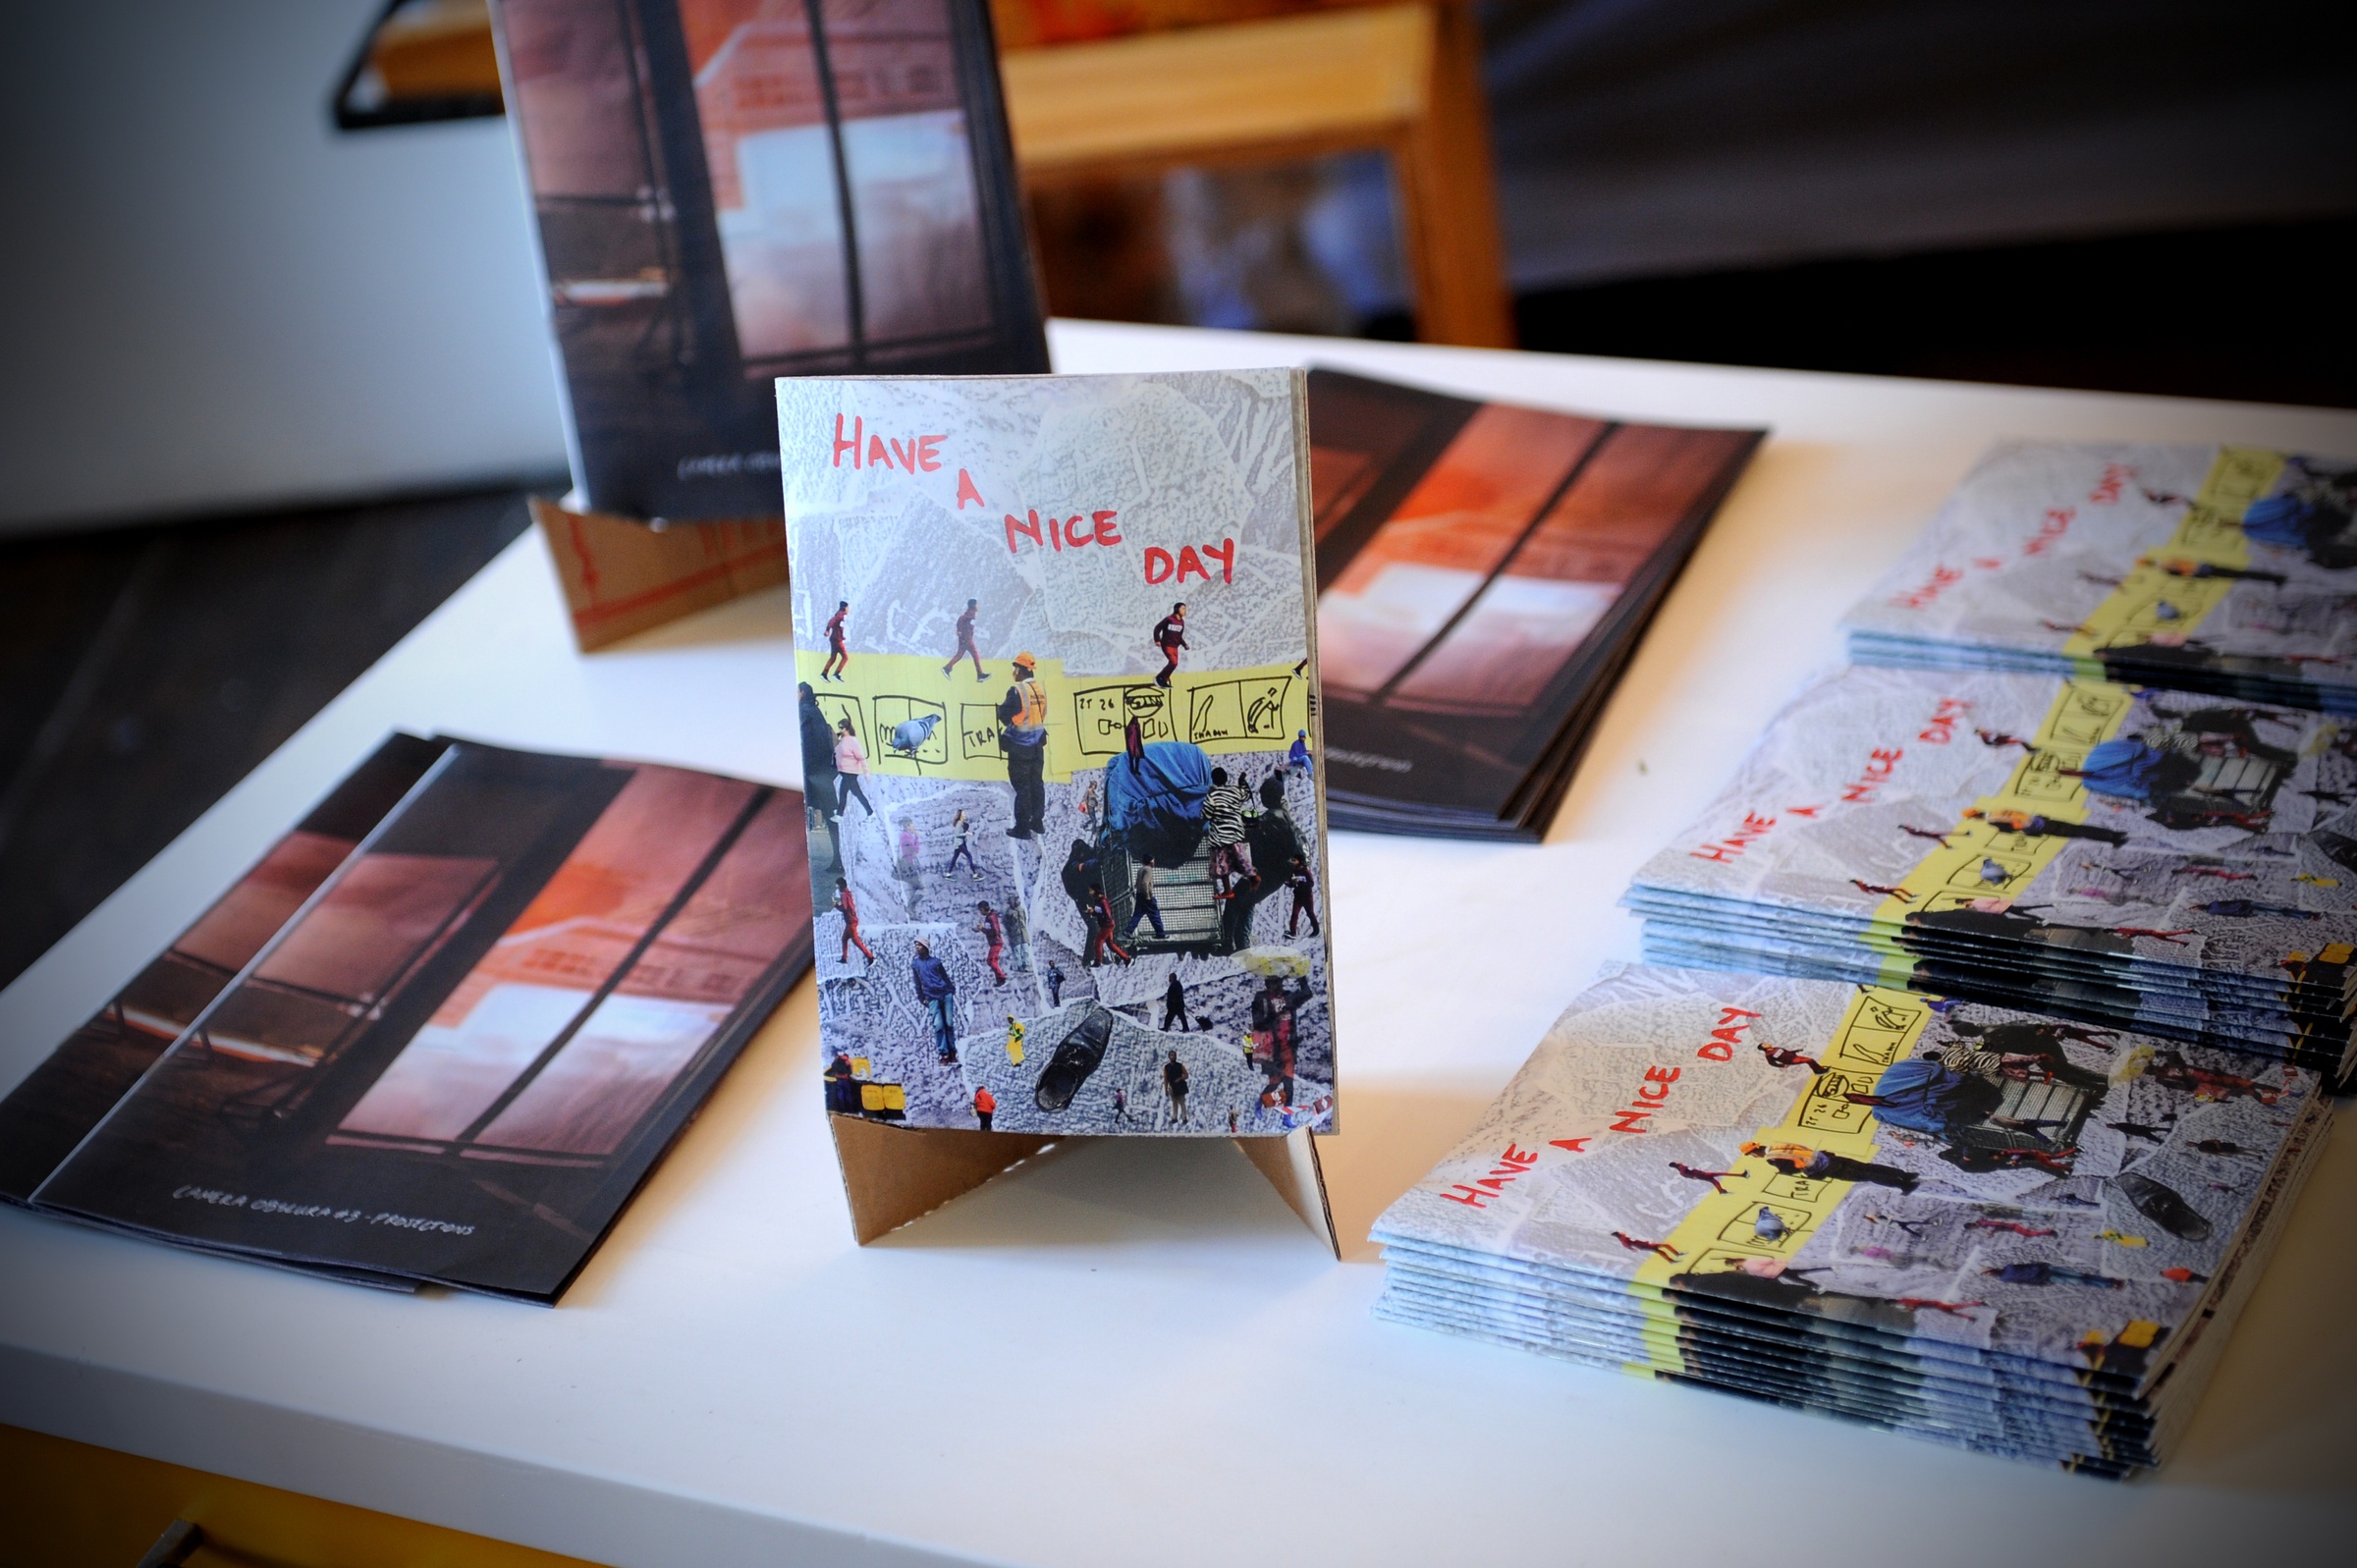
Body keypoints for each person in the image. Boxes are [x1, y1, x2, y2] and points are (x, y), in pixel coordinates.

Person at [997, 651, 1049, 838]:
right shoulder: (1040, 690)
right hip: (1037, 745)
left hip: (1020, 747)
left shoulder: (1017, 691)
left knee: (1022, 787)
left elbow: (1003, 715)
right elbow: (1042, 716)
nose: (1014, 672)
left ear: (1020, 669)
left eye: (1015, 668)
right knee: (1037, 784)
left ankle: (1022, 828)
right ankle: (1037, 822)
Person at [1739, 1139, 1919, 1193]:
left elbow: (1790, 1169)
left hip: (1824, 1168)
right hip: (1828, 1157)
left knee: (1866, 1175)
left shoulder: (1772, 1157)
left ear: (1754, 1152)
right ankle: (1905, 1175)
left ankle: (1903, 1184)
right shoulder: (1778, 1144)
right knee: (1868, 1167)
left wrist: (1783, 1172)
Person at [798, 683, 841, 866]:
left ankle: (837, 860)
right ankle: (838, 859)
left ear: (801, 693)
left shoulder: (804, 712)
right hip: (824, 772)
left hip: (812, 772)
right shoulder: (816, 712)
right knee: (832, 818)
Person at [1960, 807, 2127, 848]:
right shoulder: (1996, 810)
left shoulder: (1992, 820)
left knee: (2079, 832)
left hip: (2036, 827)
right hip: (2039, 819)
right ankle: (2113, 834)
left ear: (1974, 817)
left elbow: (2010, 828)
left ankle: (2112, 838)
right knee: (2078, 827)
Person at [1201, 767, 1251, 895]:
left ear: (1213, 780)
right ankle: (1253, 877)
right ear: (1226, 779)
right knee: (1239, 858)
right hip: (1236, 832)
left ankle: (1228, 890)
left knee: (1222, 862)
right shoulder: (1234, 791)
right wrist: (1242, 781)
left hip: (1221, 835)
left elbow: (1205, 815)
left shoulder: (1212, 796)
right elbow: (1246, 794)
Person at [911, 941, 958, 1062]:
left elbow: (944, 976)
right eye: (916, 945)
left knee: (949, 1023)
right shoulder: (916, 964)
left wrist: (951, 990)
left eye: (919, 945)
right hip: (931, 997)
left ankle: (952, 1052)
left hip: (945, 994)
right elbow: (917, 983)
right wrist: (921, 998)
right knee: (938, 1026)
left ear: (925, 947)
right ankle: (944, 1054)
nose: (917, 947)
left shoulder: (936, 962)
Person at [834, 718, 873, 817]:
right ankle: (870, 812)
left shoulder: (853, 741)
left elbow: (861, 758)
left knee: (844, 794)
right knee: (857, 794)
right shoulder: (842, 740)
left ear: (847, 728)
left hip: (850, 772)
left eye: (842, 728)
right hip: (845, 771)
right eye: (839, 728)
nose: (840, 730)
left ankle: (839, 815)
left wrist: (866, 773)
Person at [1085, 881, 1131, 967]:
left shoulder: (1102, 901)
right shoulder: (1098, 900)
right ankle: (1126, 958)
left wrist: (1097, 914)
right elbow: (1099, 912)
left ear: (1095, 890)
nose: (1090, 892)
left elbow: (1106, 913)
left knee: (1098, 942)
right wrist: (1092, 912)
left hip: (1106, 925)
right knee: (1110, 944)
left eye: (1091, 890)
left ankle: (1098, 961)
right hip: (1106, 925)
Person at [832, 878, 873, 964]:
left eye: (838, 886)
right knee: (844, 939)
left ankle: (870, 957)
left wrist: (836, 905)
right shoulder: (847, 892)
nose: (837, 888)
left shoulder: (843, 894)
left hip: (850, 922)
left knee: (856, 941)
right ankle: (844, 958)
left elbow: (844, 908)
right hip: (851, 921)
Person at [943, 597, 986, 680]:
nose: (978, 606)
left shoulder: (971, 614)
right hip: (967, 639)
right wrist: (960, 631)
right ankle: (980, 675)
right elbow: (962, 619)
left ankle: (947, 668)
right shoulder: (970, 614)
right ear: (973, 606)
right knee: (975, 655)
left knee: (959, 655)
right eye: (977, 604)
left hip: (965, 638)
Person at [1151, 602, 1188, 687]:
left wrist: (1184, 644)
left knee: (1174, 664)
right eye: (1183, 608)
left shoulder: (1181, 622)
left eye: (1185, 609)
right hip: (1167, 645)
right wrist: (1157, 639)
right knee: (1173, 662)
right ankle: (1159, 678)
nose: (1185, 611)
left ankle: (1164, 680)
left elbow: (1179, 636)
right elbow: (1157, 628)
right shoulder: (1169, 619)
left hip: (1175, 646)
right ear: (1177, 609)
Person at [1127, 859, 1166, 939]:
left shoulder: (1140, 869)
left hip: (1140, 895)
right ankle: (1160, 933)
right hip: (1146, 896)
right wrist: (1148, 896)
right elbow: (1145, 883)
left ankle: (1128, 931)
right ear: (1150, 861)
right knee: (1154, 914)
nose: (1154, 862)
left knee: (1137, 915)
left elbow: (1137, 883)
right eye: (1153, 860)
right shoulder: (1148, 869)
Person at [1285, 856, 1319, 937]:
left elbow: (1311, 884)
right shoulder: (1294, 871)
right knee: (1294, 914)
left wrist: (1300, 881)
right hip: (1298, 896)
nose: (1293, 862)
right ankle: (1292, 932)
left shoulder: (1306, 871)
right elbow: (1292, 885)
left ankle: (1316, 930)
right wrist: (1288, 882)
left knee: (1310, 913)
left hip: (1307, 896)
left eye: (1294, 860)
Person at [976, 900, 1007, 985]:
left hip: (996, 942)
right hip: (994, 942)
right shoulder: (990, 917)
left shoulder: (991, 918)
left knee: (991, 960)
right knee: (993, 961)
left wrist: (982, 929)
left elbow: (994, 931)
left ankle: (1001, 977)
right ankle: (999, 979)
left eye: (980, 910)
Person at [946, 808, 979, 880]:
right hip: (960, 844)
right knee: (969, 856)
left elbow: (963, 832)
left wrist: (969, 833)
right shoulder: (959, 824)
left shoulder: (962, 823)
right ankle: (975, 874)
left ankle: (948, 873)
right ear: (960, 816)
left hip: (959, 844)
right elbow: (957, 834)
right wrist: (966, 834)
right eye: (963, 814)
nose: (965, 815)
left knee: (954, 858)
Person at [820, 600, 850, 680]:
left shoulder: (841, 616)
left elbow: (838, 628)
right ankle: (836, 673)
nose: (848, 610)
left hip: (834, 639)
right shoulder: (840, 616)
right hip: (837, 640)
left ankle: (824, 673)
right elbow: (831, 622)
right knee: (845, 657)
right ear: (844, 608)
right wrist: (827, 630)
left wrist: (842, 636)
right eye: (848, 608)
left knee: (833, 657)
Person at [1002, 898, 1031, 973]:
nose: (1018, 901)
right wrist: (1011, 930)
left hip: (1023, 933)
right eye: (1016, 900)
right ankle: (1020, 966)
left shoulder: (1021, 910)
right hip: (1015, 934)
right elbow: (1006, 923)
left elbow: (1025, 919)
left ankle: (1027, 965)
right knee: (1017, 951)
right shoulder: (1009, 912)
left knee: (1025, 950)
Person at [1162, 1048, 1189, 1121]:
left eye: (1173, 1055)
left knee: (1182, 1103)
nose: (1172, 1057)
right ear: (1169, 1057)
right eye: (1171, 1055)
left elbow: (1186, 1075)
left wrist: (1180, 1079)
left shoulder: (1180, 1066)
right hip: (1172, 1087)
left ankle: (1184, 1117)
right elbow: (1165, 1079)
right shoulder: (1166, 1067)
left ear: (1176, 1056)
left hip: (1180, 1087)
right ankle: (1175, 1117)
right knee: (1174, 1103)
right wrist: (1166, 1089)